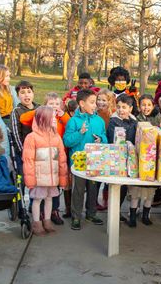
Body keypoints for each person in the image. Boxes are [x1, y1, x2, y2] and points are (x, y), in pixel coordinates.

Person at [20, 92, 72, 224]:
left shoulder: (59, 125)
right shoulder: (32, 136)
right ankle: (38, 220)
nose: (54, 107)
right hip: (40, 172)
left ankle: (50, 216)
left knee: (51, 197)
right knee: (37, 198)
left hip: (53, 168)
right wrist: (41, 111)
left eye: (57, 104)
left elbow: (70, 126)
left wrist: (62, 115)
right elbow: (23, 118)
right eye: (51, 104)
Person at [63, 90, 108, 230]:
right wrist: (79, 133)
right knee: (78, 190)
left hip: (94, 162)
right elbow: (67, 141)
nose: (96, 105)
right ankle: (76, 216)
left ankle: (91, 213)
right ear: (82, 103)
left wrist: (101, 140)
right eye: (92, 102)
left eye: (95, 102)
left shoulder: (99, 121)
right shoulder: (73, 121)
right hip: (79, 164)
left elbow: (105, 138)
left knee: (93, 189)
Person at [107, 94, 139, 226]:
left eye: (124, 107)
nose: (121, 110)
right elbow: (118, 136)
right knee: (115, 186)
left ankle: (118, 210)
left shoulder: (134, 121)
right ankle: (113, 212)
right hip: (116, 157)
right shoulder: (114, 121)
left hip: (129, 158)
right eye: (118, 107)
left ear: (130, 108)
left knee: (124, 187)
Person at [10, 80, 38, 155]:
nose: (26, 95)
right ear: (17, 96)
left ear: (33, 93)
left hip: (40, 147)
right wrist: (22, 151)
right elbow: (16, 135)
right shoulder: (16, 111)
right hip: (25, 149)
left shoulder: (40, 108)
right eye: (22, 93)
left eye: (29, 92)